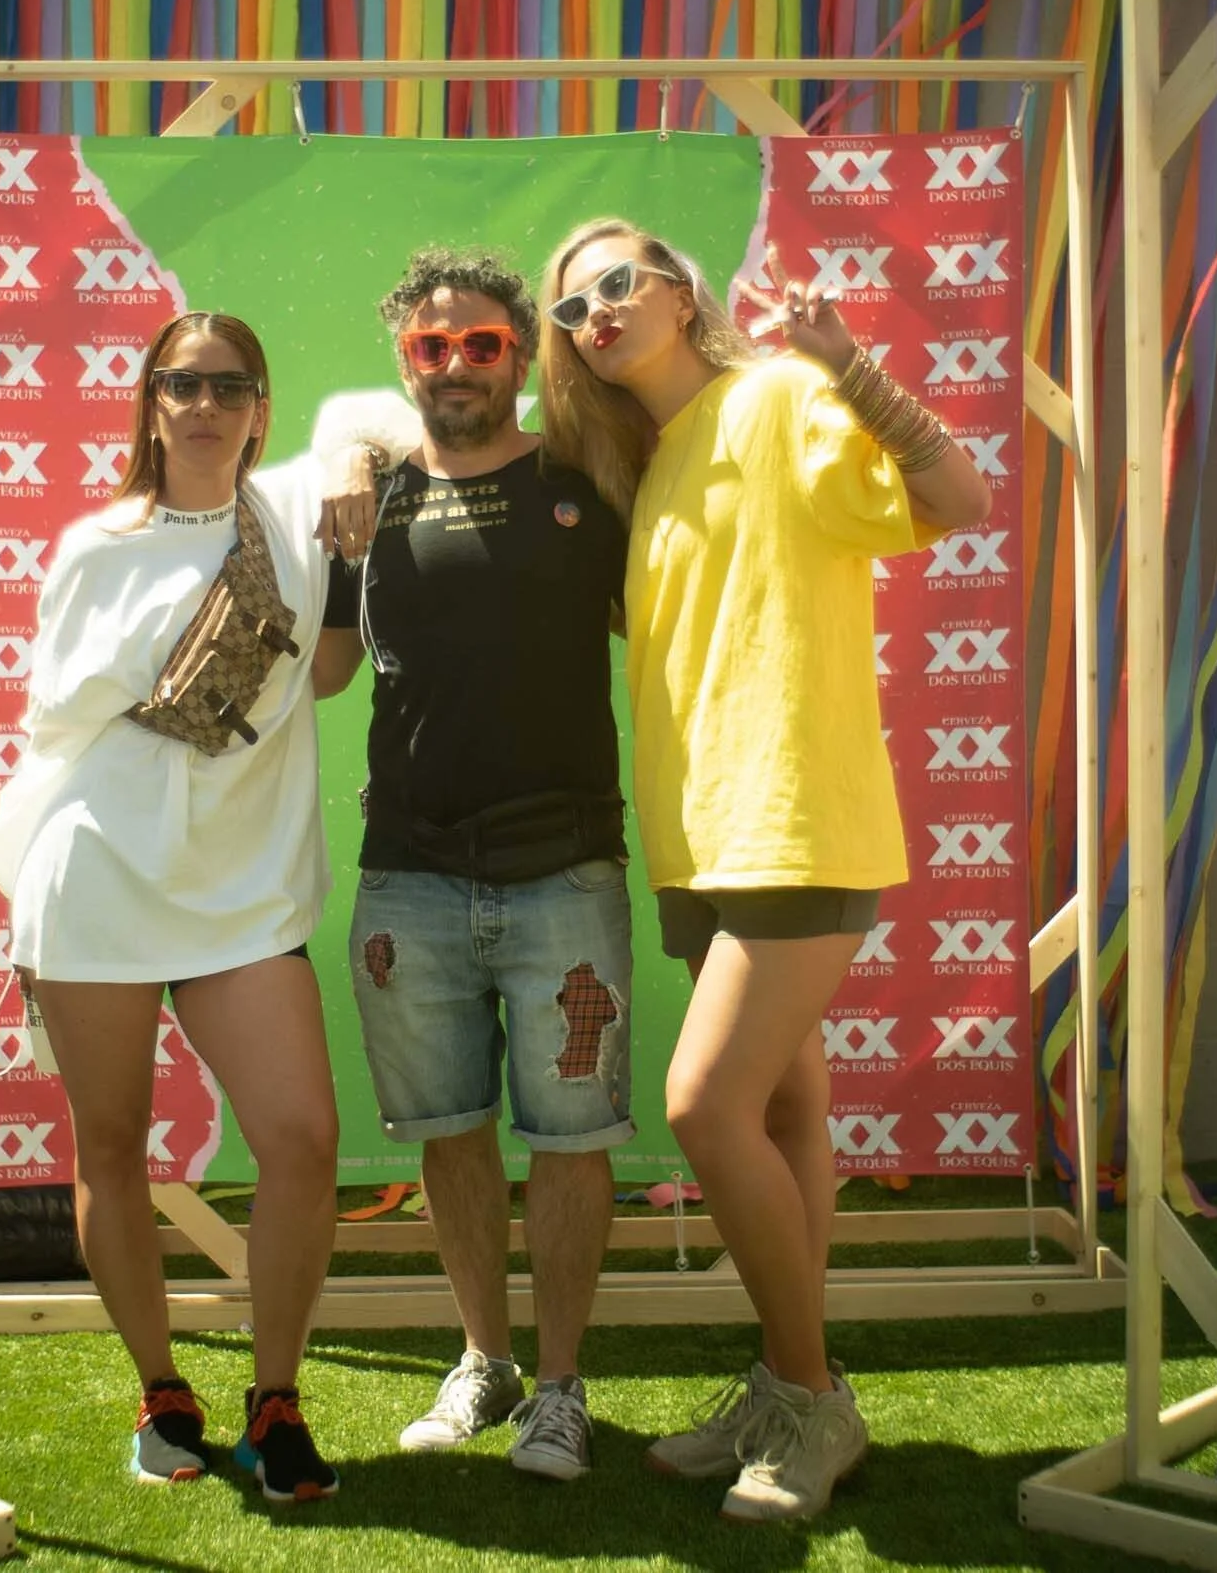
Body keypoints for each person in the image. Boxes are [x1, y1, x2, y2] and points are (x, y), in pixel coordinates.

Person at [537, 221, 992, 1521]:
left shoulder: (784, 394)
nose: (596, 311)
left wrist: (850, 366)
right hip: (702, 835)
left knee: (704, 1106)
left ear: (681, 294)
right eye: (571, 306)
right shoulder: (647, 465)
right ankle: (784, 1384)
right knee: (786, 1109)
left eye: (617, 282)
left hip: (796, 815)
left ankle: (811, 1396)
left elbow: (957, 500)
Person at [0, 311, 370, 1503]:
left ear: (261, 409)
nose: (205, 405)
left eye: (231, 386)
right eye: (183, 384)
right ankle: (161, 1392)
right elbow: (59, 722)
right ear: (150, 402)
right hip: (99, 871)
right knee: (111, 1145)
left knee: (302, 1138)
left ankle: (276, 1398)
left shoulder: (295, 512)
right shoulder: (95, 545)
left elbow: (373, 417)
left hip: (241, 888)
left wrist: (354, 458)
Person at [309, 248, 633, 1481]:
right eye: (430, 346)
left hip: (567, 871)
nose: (455, 365)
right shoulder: (365, 499)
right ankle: (484, 1360)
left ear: (520, 354)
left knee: (570, 1138)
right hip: (410, 872)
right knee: (448, 1132)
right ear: (404, 360)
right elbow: (324, 670)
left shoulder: (582, 477)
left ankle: (560, 1388)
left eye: (482, 344)